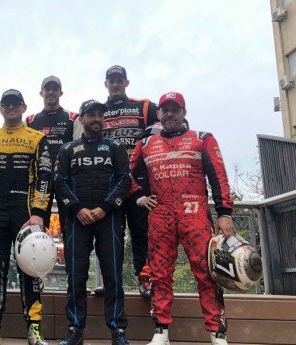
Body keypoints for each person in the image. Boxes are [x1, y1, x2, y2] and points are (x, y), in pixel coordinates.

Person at [130, 92, 234, 345]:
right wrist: (140, 198)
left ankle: (216, 333)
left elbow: (219, 177)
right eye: (165, 110)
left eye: (175, 110)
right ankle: (161, 331)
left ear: (184, 113)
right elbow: (127, 176)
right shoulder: (145, 144)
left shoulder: (202, 139)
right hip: (160, 213)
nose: (170, 114)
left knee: (207, 272)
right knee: (159, 274)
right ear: (159, 114)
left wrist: (225, 214)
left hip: (194, 211)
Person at [0, 89, 52, 345]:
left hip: (25, 214)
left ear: (23, 107)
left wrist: (39, 212)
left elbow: (45, 177)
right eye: (6, 104)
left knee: (31, 270)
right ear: (0, 109)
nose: (11, 108)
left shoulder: (37, 138)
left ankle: (34, 329)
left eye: (15, 104)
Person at [54, 100, 131, 345]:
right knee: (76, 275)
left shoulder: (115, 147)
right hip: (77, 218)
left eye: (100, 115)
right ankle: (75, 329)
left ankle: (118, 331)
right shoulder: (68, 149)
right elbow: (59, 181)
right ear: (82, 120)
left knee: (113, 275)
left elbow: (125, 181)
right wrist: (77, 208)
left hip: (109, 217)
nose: (97, 119)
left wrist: (104, 208)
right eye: (91, 115)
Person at [101, 65, 158, 298]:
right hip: (109, 183)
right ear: (106, 84)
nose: (115, 84)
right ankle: (109, 282)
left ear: (126, 82)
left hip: (140, 182)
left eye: (119, 80)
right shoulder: (98, 110)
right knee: (109, 235)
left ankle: (145, 280)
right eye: (111, 80)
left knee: (141, 232)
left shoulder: (144, 106)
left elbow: (169, 124)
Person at [25, 76, 77, 230]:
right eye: (47, 89)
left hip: (66, 179)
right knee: (37, 227)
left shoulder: (73, 118)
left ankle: (72, 255)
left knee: (70, 227)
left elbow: (80, 149)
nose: (51, 92)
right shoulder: (31, 120)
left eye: (55, 89)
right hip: (40, 181)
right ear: (41, 93)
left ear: (61, 92)